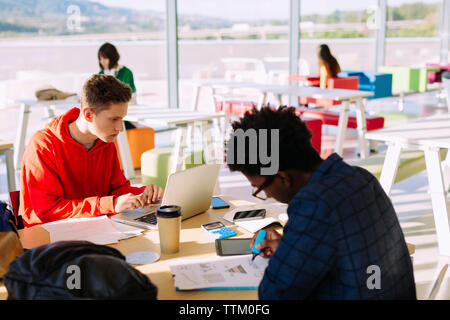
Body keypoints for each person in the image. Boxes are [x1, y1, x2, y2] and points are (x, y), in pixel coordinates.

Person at [225, 106, 416, 300]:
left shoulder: (314, 205)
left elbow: (274, 294)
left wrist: (288, 253)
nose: (264, 193)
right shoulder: (361, 177)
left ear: (283, 178)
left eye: (259, 188)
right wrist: (290, 247)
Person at [19, 74, 163, 227]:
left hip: (95, 228)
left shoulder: (105, 140)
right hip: (47, 236)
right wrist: (110, 204)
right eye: (114, 119)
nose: (120, 128)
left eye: (122, 119)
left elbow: (116, 189)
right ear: (88, 115)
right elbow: (48, 210)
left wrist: (143, 194)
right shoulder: (43, 145)